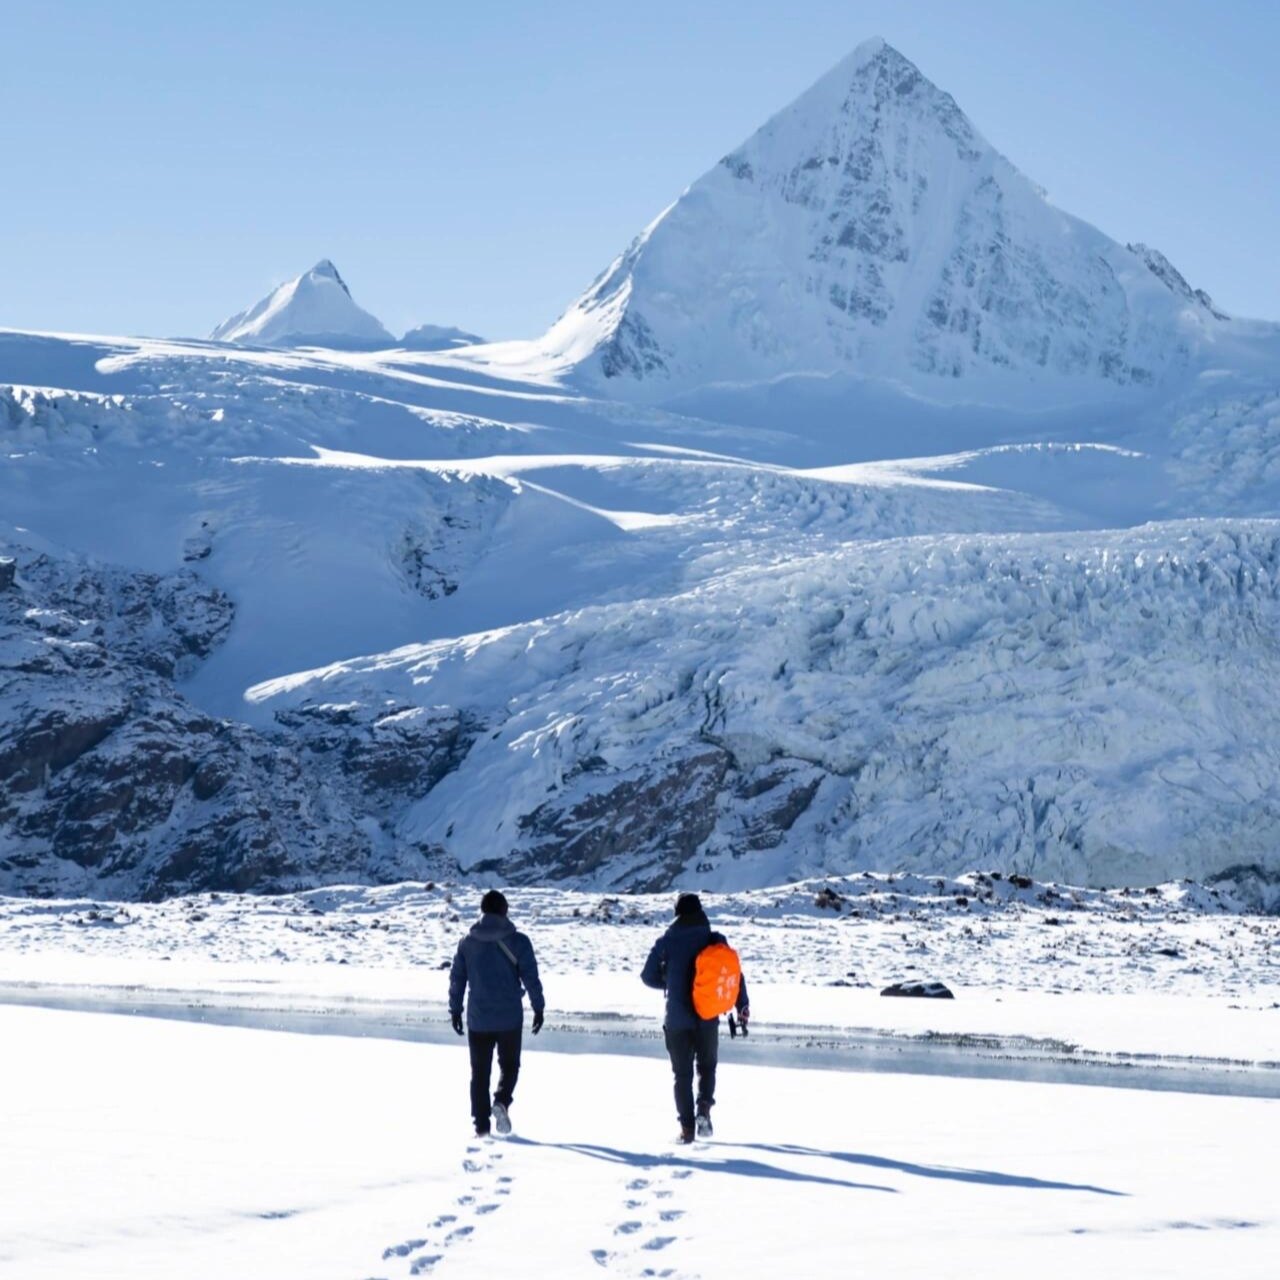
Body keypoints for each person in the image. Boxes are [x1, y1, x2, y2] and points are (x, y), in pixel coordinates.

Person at [641, 892, 750, 1143]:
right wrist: (741, 1004)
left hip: (677, 1020)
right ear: (700, 911)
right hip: (707, 1016)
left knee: (682, 1076)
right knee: (707, 1067)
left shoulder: (666, 941)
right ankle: (703, 1107)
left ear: (677, 913)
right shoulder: (714, 939)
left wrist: (669, 982)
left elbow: (647, 976)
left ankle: (687, 1131)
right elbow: (733, 974)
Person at [448, 890, 545, 1137]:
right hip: (509, 1018)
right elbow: (531, 977)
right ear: (505, 911)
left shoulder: (467, 943)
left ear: (482, 912)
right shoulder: (519, 942)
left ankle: (481, 1128)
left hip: (478, 1018)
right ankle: (501, 1101)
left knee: (479, 1073)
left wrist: (455, 1010)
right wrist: (538, 1007)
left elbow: (457, 979)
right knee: (510, 1065)